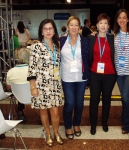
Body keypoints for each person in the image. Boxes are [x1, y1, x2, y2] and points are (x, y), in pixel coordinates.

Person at [27, 19, 63, 147]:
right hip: (41, 84)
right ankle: (48, 134)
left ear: (54, 30)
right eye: (45, 28)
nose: (48, 31)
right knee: (43, 111)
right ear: (41, 31)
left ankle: (56, 133)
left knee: (55, 112)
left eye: (50, 28)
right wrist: (33, 87)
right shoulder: (36, 46)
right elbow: (31, 68)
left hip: (55, 84)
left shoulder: (57, 45)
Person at [59, 16, 90, 140]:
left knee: (79, 103)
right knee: (69, 103)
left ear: (79, 27)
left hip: (81, 78)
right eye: (71, 25)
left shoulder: (85, 41)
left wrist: (88, 78)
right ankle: (68, 126)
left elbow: (87, 59)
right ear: (68, 26)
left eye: (76, 25)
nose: (74, 27)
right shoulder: (61, 41)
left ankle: (76, 123)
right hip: (67, 78)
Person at [88, 13, 116, 135]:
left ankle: (104, 122)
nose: (103, 25)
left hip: (110, 74)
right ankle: (93, 124)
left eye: (105, 23)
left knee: (106, 100)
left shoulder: (112, 38)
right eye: (101, 23)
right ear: (97, 25)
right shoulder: (91, 38)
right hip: (94, 74)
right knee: (94, 100)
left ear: (108, 25)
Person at [6, 48, 30, 123]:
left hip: (18, 96)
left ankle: (20, 110)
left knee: (20, 91)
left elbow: (9, 88)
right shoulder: (34, 71)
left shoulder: (11, 72)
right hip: (34, 96)